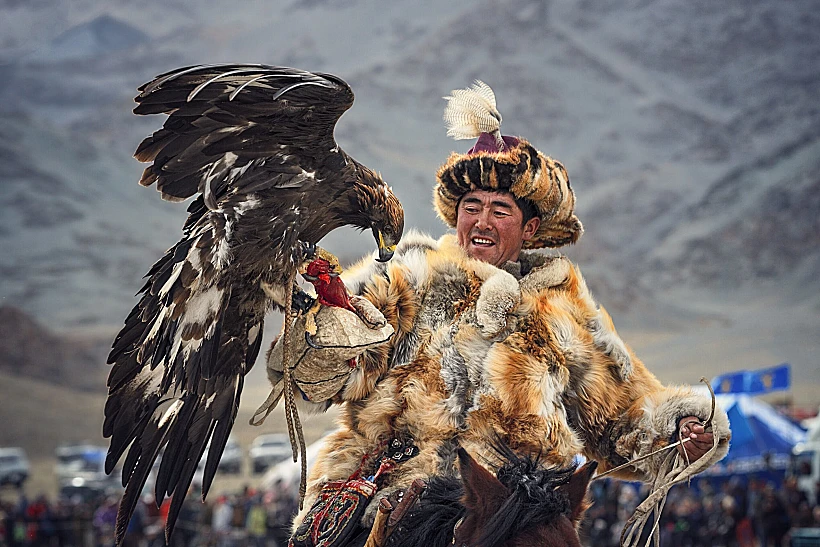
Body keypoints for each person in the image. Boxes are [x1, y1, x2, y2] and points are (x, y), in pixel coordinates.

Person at [282, 83, 730, 544]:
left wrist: (681, 431)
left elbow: (624, 419)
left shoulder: (564, 315)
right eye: (470, 207)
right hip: (396, 493)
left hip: (522, 514)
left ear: (530, 227)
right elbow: (328, 373)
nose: (481, 221)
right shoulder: (407, 281)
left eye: (500, 210)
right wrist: (321, 320)